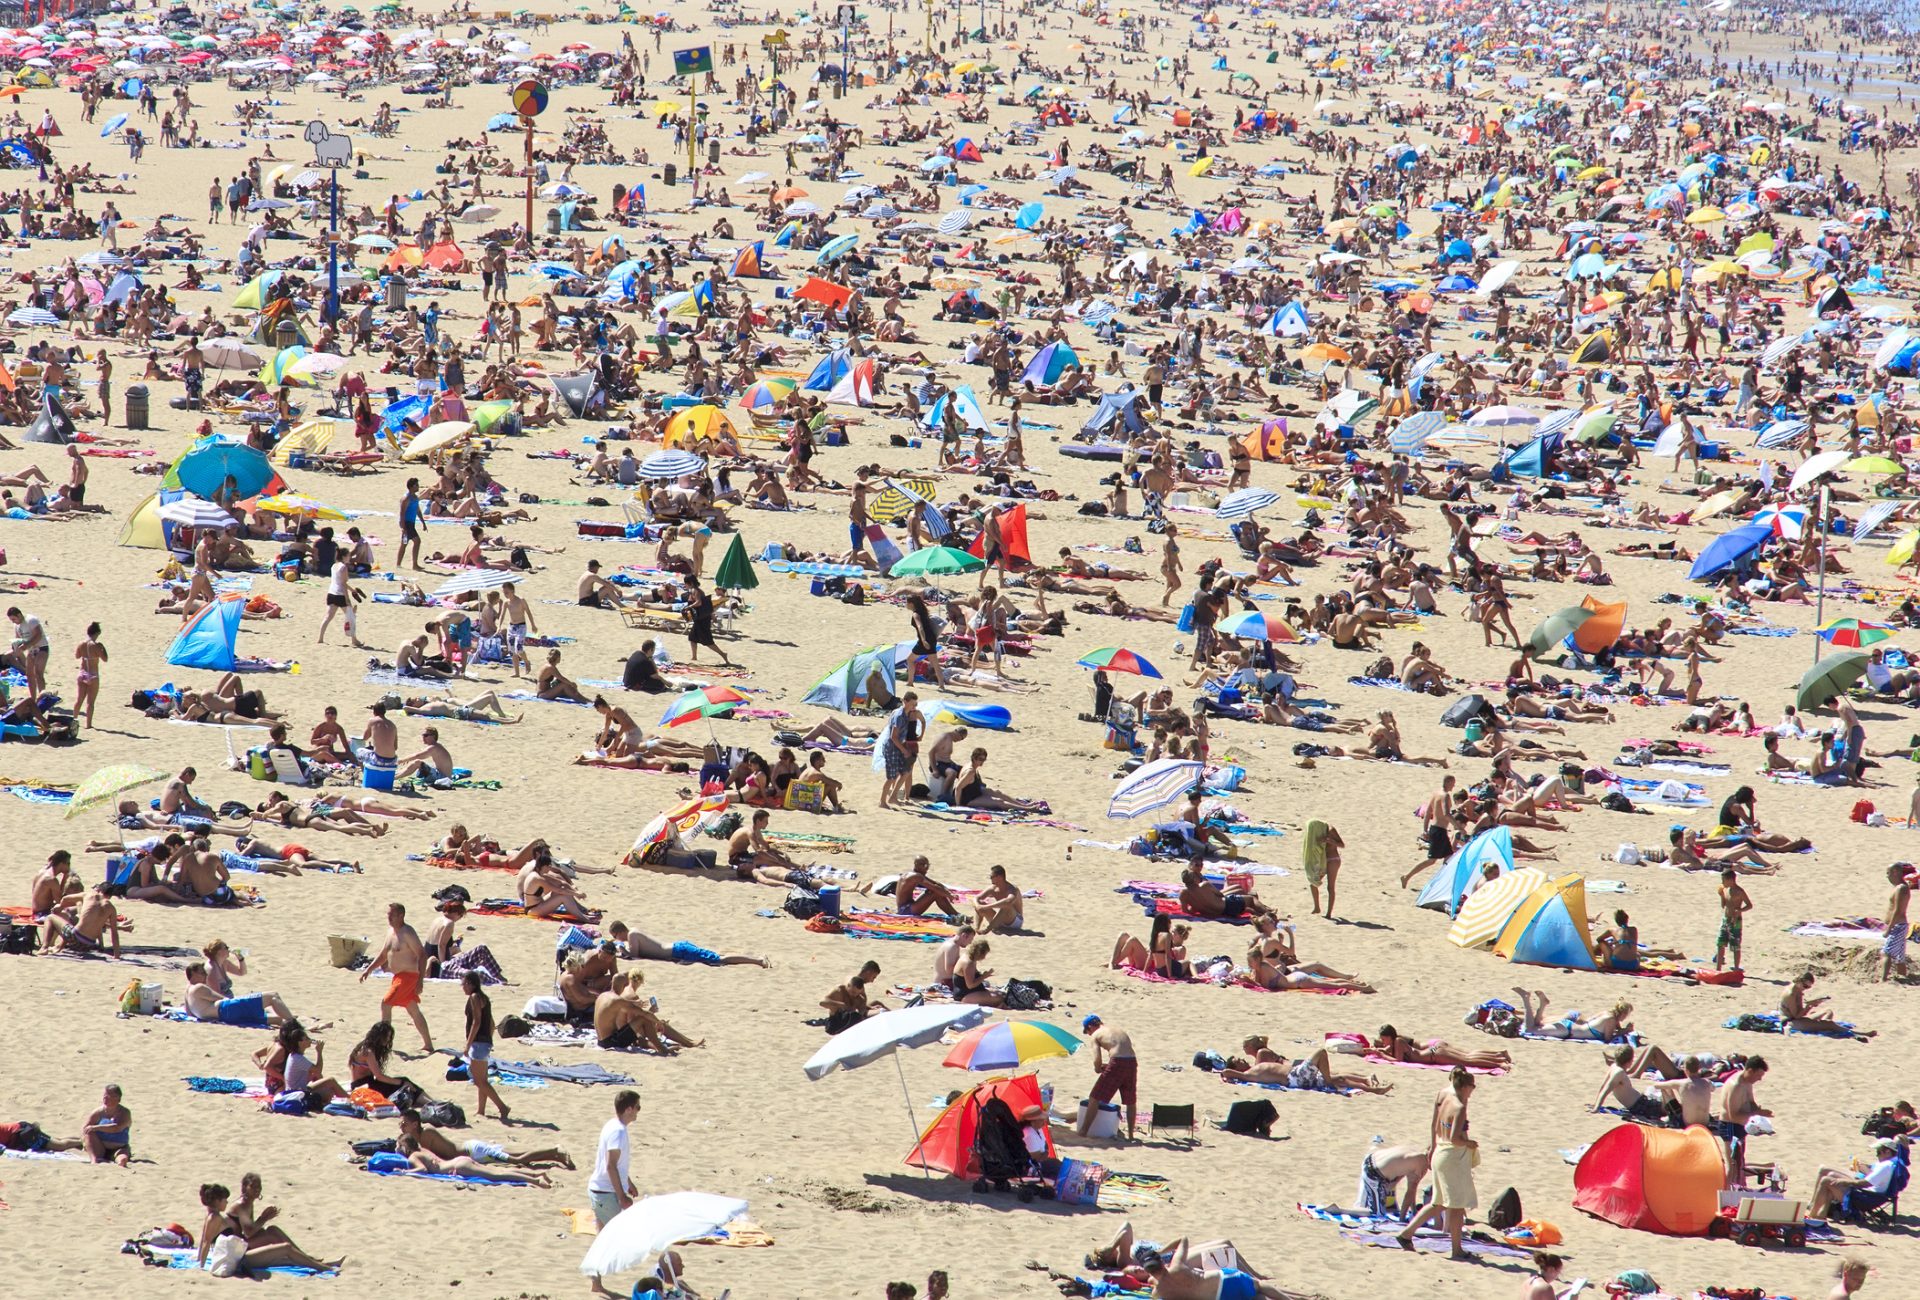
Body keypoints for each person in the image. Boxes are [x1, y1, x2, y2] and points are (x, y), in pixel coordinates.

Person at [1395, 1068, 1479, 1260]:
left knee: (1438, 1202)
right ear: (1466, 1086)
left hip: (1440, 1151)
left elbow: (1434, 1125)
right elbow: (1455, 1138)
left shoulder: (1443, 1094)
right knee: (1456, 1205)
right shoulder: (1459, 1106)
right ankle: (1457, 1249)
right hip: (1452, 1157)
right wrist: (1469, 1143)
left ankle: (1406, 1234)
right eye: (1472, 1087)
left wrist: (1432, 1148)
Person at [196, 1182, 342, 1275]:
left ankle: (314, 1261)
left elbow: (204, 1238)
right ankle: (325, 1268)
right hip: (240, 1259)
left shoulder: (213, 1215)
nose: (227, 1201)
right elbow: (206, 1242)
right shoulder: (214, 1218)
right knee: (285, 1248)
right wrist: (200, 1266)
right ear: (216, 1201)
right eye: (224, 1199)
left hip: (240, 1252)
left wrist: (198, 1260)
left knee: (273, 1230)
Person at [586, 1091, 643, 1295]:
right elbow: (610, 1166)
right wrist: (621, 1196)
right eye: (637, 1107)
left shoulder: (613, 1126)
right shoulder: (617, 1132)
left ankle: (595, 1281)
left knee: (602, 1236)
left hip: (601, 1189)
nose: (638, 1111)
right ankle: (595, 1277)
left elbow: (616, 1165)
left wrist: (629, 1182)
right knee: (611, 1237)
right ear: (628, 1108)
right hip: (604, 1192)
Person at [360, 902, 432, 1051]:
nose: (389, 917)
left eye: (392, 915)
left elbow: (422, 955)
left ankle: (383, 1042)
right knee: (413, 1009)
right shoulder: (390, 932)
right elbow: (383, 955)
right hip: (398, 976)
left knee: (386, 1004)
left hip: (408, 976)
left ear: (401, 916)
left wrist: (420, 982)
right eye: (388, 914)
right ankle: (428, 1044)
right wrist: (369, 969)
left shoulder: (407, 933)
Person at [398, 1108, 571, 1170]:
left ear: (415, 1124)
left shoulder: (427, 1133)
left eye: (404, 1123)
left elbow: (435, 1156)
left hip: (474, 1151)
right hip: (473, 1151)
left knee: (517, 1160)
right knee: (519, 1156)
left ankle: (555, 1150)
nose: (401, 1126)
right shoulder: (419, 1137)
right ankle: (555, 1156)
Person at [1810, 1139, 1909, 1220]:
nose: (1876, 1154)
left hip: (1865, 1198)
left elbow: (1866, 1183)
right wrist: (1864, 1168)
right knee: (1830, 1177)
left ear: (1887, 1152)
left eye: (1878, 1151)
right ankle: (1818, 1216)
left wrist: (1844, 1182)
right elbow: (1875, 1177)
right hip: (1868, 1193)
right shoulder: (1893, 1161)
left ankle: (1813, 1216)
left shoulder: (1886, 1166)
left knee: (1826, 1181)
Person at [605, 919, 769, 968]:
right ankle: (755, 959)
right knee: (716, 957)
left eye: (615, 936)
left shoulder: (632, 934)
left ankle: (758, 960)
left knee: (720, 959)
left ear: (620, 932)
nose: (617, 939)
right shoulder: (632, 934)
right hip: (678, 950)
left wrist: (620, 950)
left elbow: (634, 955)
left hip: (679, 951)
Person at [1078, 1014, 1138, 1140]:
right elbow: (1122, 1051)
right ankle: (1131, 1136)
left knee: (1095, 1097)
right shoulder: (1116, 1029)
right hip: (1132, 1061)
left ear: (1090, 1027)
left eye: (1087, 1031)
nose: (1088, 1034)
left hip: (1117, 1062)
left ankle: (1084, 1131)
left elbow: (1097, 1059)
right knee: (1130, 1100)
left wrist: (1097, 1068)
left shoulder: (1096, 1035)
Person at [461, 971, 509, 1122]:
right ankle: (481, 1110)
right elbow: (492, 1023)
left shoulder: (474, 997)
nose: (463, 987)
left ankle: (502, 1107)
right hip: (484, 1042)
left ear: (470, 984)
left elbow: (477, 1021)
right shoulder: (484, 998)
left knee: (479, 1080)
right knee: (482, 1079)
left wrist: (468, 1045)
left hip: (478, 1043)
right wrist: (488, 1039)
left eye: (464, 984)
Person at [1372, 1025, 1510, 1071]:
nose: (1383, 1042)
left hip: (1435, 1055)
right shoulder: (1397, 1041)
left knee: (1468, 1061)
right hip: (1434, 1051)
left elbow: (1398, 1060)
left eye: (1384, 1039)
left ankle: (1499, 1063)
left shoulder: (1398, 1042)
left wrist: (1381, 1054)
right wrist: (1381, 1050)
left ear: (1390, 1036)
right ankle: (1499, 1055)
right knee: (1468, 1055)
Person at [1356, 1144, 1429, 1219]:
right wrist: (1402, 1219)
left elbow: (1411, 1190)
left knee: (1363, 1206)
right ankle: (1343, 1210)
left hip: (1371, 1159)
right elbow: (1410, 1192)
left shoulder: (1416, 1153)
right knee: (1377, 1214)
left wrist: (1414, 1211)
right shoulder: (1422, 1164)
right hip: (1374, 1174)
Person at [1301, 818, 1343, 918]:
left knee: (1330, 887)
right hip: (1322, 860)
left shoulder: (1331, 830)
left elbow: (1342, 844)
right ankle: (1317, 908)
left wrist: (1330, 840)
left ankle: (1329, 913)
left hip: (1333, 859)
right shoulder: (1317, 832)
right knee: (1313, 883)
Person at [83, 1083, 132, 1165]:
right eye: (105, 1096)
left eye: (110, 1096)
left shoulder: (124, 1112)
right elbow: (85, 1127)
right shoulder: (98, 1112)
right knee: (88, 1132)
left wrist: (96, 1127)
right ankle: (94, 1160)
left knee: (122, 1156)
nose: (106, 1099)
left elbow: (117, 1128)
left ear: (118, 1099)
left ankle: (121, 1161)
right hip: (100, 1146)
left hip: (118, 1147)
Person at [1716, 867, 1753, 971]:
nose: (1722, 882)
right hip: (1725, 919)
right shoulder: (1725, 890)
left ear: (1731, 880)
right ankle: (1718, 968)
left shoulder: (1740, 891)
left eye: (1724, 880)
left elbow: (1749, 905)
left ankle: (1736, 968)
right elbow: (1723, 905)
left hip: (1735, 921)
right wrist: (1721, 896)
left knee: (1735, 946)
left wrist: (1740, 910)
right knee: (1720, 943)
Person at [1882, 862, 1911, 982]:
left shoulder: (1901, 888)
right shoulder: (1900, 887)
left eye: (1888, 873)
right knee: (1900, 957)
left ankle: (1883, 979)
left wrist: (1889, 928)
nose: (1887, 876)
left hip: (1898, 925)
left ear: (1896, 872)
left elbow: (1898, 910)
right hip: (1899, 925)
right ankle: (1903, 977)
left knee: (1886, 952)